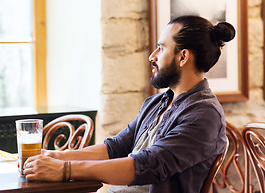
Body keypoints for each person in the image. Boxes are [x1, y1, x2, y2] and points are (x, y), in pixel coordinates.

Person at [22, 15, 234, 193]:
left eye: (161, 48)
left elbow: (148, 165)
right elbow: (115, 148)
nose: (152, 56)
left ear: (183, 57)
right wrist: (56, 157)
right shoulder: (157, 102)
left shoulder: (204, 114)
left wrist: (65, 169)